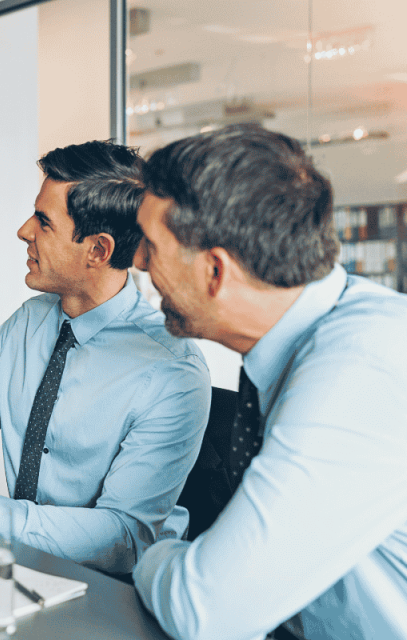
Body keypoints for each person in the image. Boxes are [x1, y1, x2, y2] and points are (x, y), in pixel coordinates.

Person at [131, 124, 407, 640]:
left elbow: (206, 612)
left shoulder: (358, 373)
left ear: (216, 271)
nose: (138, 263)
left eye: (150, 246)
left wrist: (156, 554)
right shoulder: (309, 341)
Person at [0, 141, 211, 574]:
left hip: (117, 589)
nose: (24, 231)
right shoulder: (27, 323)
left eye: (44, 222)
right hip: (27, 561)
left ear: (97, 250)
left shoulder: (171, 370)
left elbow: (126, 538)